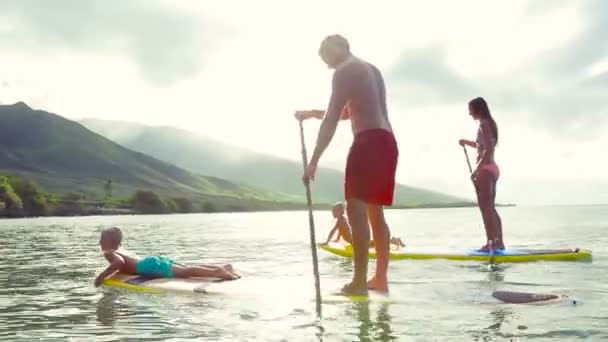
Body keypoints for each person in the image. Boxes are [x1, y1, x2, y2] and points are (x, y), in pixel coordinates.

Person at [296, 34, 399, 296]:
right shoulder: (370, 69)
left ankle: (358, 283)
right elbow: (347, 111)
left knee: (355, 208)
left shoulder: (344, 71)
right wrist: (310, 113)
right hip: (387, 141)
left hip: (368, 143)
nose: (325, 59)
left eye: (325, 52)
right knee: (376, 213)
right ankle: (379, 279)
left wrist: (314, 161)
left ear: (340, 46)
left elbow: (332, 119)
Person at [94, 227, 239, 287]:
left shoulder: (109, 253)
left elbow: (118, 263)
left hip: (148, 266)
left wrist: (102, 277)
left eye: (102, 239)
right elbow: (124, 264)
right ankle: (222, 268)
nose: (99, 242)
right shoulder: (121, 250)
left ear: (109, 242)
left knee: (186, 272)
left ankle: (217, 272)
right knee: (186, 269)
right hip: (150, 261)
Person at [459, 97, 504, 252]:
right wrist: (466, 142)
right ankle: (499, 242)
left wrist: (476, 170)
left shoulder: (484, 125)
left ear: (478, 109)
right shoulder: (489, 124)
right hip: (492, 169)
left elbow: (488, 149)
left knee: (485, 208)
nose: (469, 113)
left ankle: (491, 243)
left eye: (470, 109)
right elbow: (481, 145)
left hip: (485, 170)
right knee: (490, 208)